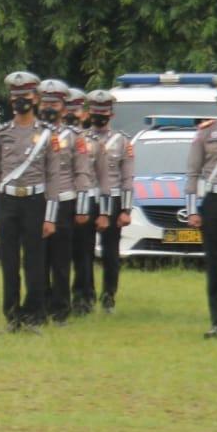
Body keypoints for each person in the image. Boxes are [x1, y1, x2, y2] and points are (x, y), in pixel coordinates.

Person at [0, 71, 56, 333]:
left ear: (36, 98)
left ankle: (34, 314)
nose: (20, 100)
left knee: (34, 261)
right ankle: (12, 314)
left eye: (25, 95)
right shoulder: (1, 133)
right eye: (16, 96)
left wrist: (50, 216)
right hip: (8, 201)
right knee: (9, 261)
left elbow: (53, 177)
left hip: (35, 201)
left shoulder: (47, 134)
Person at [37, 79, 89, 326]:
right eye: (45, 102)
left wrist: (81, 208)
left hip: (65, 203)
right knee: (38, 258)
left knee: (60, 259)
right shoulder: (32, 133)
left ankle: (60, 310)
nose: (49, 107)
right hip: (36, 202)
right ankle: (40, 305)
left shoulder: (74, 137)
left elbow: (82, 173)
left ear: (64, 106)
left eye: (55, 103)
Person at [82, 90, 132, 313]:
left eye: (103, 113)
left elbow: (127, 177)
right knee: (84, 251)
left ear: (111, 114)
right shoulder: (81, 139)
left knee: (110, 253)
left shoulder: (122, 141)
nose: (99, 117)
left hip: (113, 200)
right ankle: (86, 295)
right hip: (87, 199)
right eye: (95, 112)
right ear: (89, 113)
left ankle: (109, 296)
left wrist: (126, 209)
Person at [187, 72, 217, 338]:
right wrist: (192, 209)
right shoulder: (206, 132)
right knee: (215, 264)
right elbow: (192, 172)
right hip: (214, 202)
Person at [65, 88, 99, 315]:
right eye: (68, 109)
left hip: (86, 199)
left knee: (83, 252)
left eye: (76, 109)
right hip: (60, 199)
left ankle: (83, 296)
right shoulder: (53, 136)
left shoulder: (92, 141)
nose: (71, 114)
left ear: (85, 114)